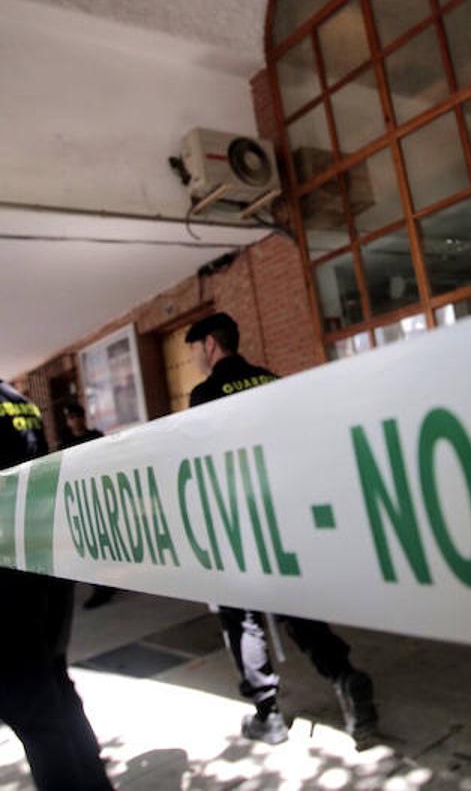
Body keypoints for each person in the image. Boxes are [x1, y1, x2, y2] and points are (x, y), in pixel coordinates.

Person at [0, 313, 112, 790]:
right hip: (46, 567)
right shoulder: (20, 402)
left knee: (22, 696)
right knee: (53, 686)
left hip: (2, 576)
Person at [185, 312, 378, 746]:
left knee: (242, 617)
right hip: (287, 513)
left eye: (198, 348)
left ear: (211, 345)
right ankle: (345, 676)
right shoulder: (273, 380)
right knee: (298, 604)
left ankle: (268, 714)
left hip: (240, 519)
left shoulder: (205, 394)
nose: (197, 357)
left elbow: (201, 460)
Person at [59, 402, 117, 610]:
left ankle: (113, 581)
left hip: (99, 493)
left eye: (77, 416)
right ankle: (101, 587)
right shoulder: (64, 444)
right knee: (89, 544)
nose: (75, 421)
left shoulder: (95, 436)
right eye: (71, 417)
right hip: (79, 498)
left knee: (108, 540)